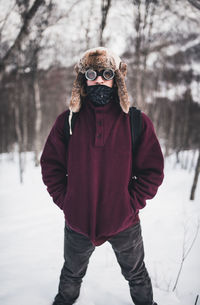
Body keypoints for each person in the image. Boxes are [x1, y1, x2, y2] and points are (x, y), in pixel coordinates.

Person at [40, 47, 164, 305]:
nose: (98, 79)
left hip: (123, 220)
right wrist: (68, 200)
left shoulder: (136, 121)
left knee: (137, 275)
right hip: (78, 219)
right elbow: (51, 165)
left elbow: (152, 170)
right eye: (92, 73)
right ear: (83, 79)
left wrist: (131, 204)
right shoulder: (68, 121)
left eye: (106, 74)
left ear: (116, 79)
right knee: (72, 273)